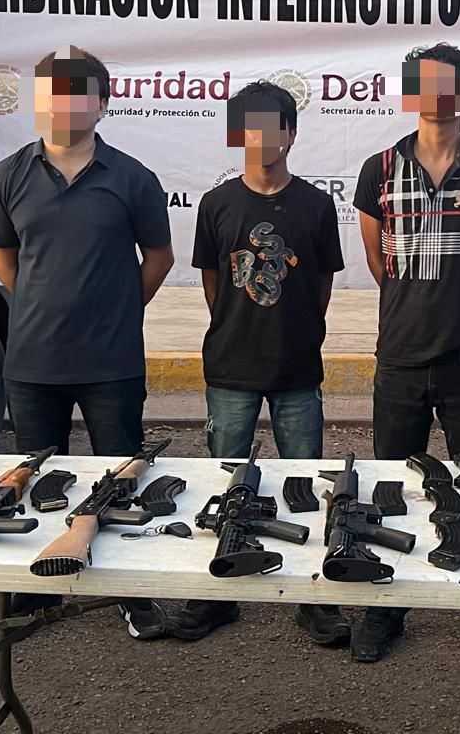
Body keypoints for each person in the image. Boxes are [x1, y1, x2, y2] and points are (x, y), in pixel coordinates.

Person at [0, 47, 175, 639]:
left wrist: (119, 310)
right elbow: (3, 259)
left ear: (102, 103)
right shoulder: (8, 175)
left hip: (112, 361)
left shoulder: (133, 177)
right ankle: (38, 586)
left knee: (121, 476)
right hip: (33, 361)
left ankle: (127, 590)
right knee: (37, 479)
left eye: (76, 93)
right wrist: (42, 308)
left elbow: (159, 257)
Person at [352, 42, 460, 669]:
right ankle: (387, 606)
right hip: (400, 357)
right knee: (393, 489)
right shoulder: (378, 169)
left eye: (448, 84)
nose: (436, 96)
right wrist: (418, 309)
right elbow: (380, 263)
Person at [164, 80, 349, 644]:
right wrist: (236, 327)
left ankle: (313, 597)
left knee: (304, 486)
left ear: (290, 133)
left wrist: (299, 330)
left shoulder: (316, 204)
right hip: (231, 366)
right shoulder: (217, 203)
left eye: (273, 126)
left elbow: (322, 283)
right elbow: (212, 282)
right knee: (225, 483)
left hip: (297, 367)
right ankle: (218, 592)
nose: (261, 137)